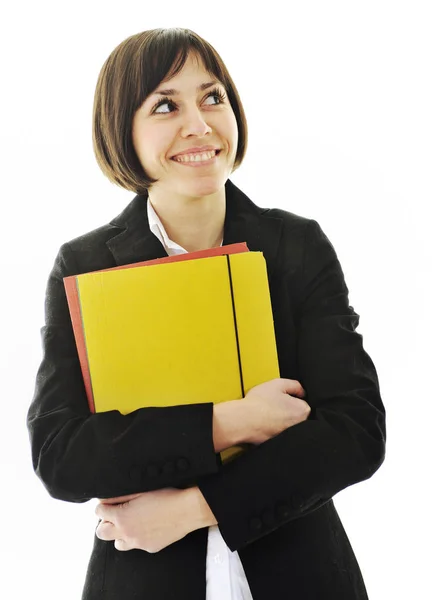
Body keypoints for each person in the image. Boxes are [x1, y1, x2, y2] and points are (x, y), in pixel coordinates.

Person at [27, 27, 386, 600]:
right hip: (142, 580)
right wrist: (230, 421)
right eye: (166, 105)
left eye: (212, 97)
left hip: (301, 574)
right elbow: (61, 454)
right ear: (124, 130)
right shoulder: (85, 264)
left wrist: (195, 509)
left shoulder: (295, 245)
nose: (199, 124)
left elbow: (355, 431)